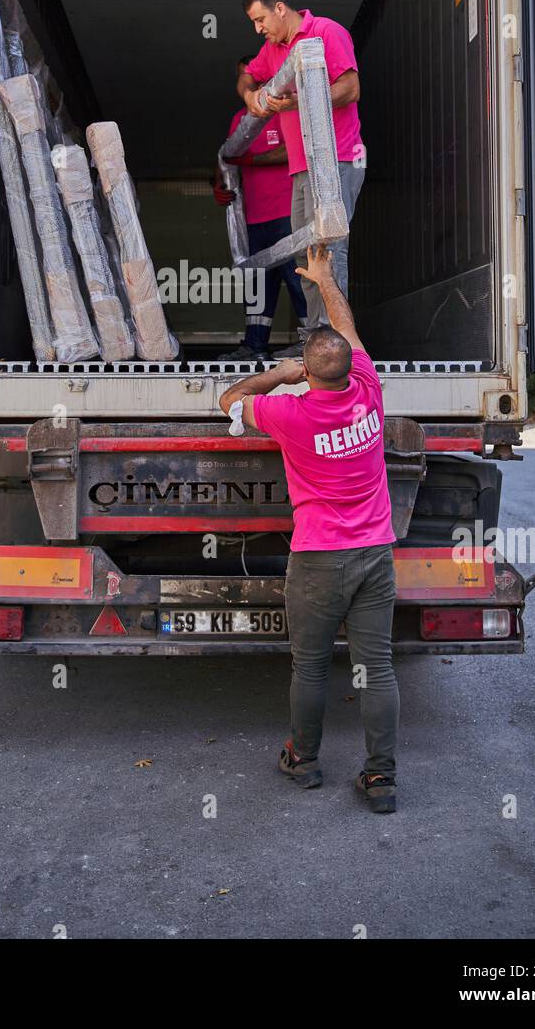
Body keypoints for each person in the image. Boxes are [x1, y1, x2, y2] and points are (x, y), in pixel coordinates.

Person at [219, 243, 399, 814]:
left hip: (320, 558)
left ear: (310, 371)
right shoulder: (369, 391)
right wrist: (324, 281)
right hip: (375, 554)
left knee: (312, 666)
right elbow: (349, 335)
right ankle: (380, 779)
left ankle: (305, 761)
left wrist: (280, 373)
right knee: (377, 668)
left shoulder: (290, 413)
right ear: (349, 368)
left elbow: (228, 401)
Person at [237, 0, 366, 348]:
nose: (258, 28)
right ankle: (315, 337)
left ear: (280, 9)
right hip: (301, 168)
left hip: (337, 158)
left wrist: (297, 101)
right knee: (305, 252)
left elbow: (351, 88)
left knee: (328, 248)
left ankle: (337, 342)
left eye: (260, 19)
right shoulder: (272, 49)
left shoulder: (326, 31)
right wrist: (250, 95)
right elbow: (247, 74)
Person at [213, 58, 306, 359]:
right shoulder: (240, 118)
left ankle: (311, 341)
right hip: (254, 217)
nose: (247, 83)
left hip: (286, 212)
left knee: (298, 277)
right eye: (241, 78)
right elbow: (227, 156)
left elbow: (294, 149)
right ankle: (254, 345)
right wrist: (219, 184)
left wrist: (252, 162)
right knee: (257, 282)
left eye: (251, 76)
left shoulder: (283, 110)